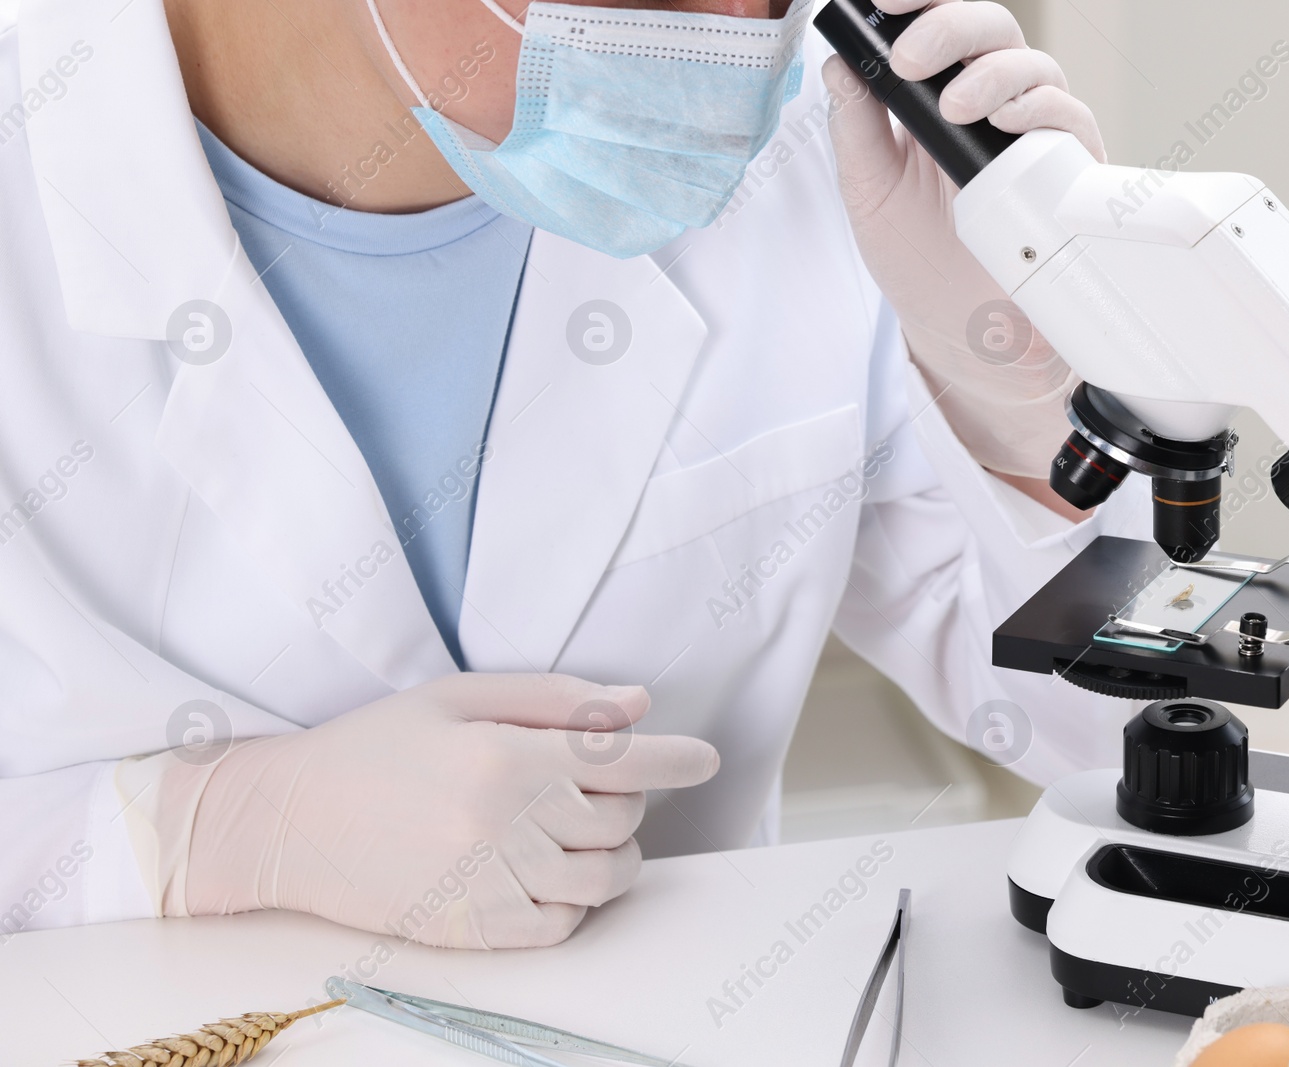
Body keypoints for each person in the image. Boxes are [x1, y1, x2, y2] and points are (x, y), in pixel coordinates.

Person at [0, 0, 1148, 948]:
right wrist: (204, 831)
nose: (726, 50)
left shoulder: (826, 147)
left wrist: (1023, 393)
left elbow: (1114, 750)